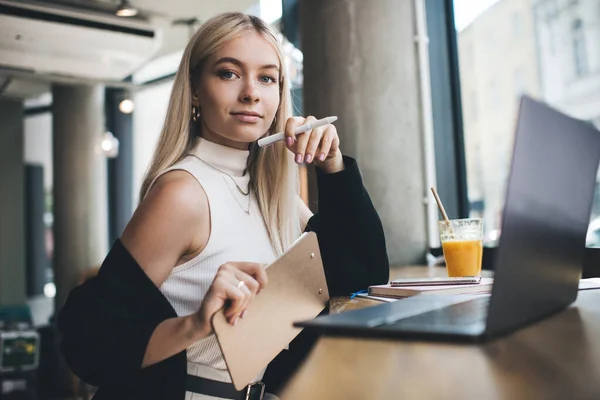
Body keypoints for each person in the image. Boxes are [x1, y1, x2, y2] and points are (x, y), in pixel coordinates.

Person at [58, 12, 389, 400]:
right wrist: (197, 324)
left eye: (267, 78)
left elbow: (361, 275)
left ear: (280, 94)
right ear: (196, 90)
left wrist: (333, 166)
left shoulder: (270, 191)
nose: (251, 92)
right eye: (229, 73)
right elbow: (88, 340)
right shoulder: (183, 192)